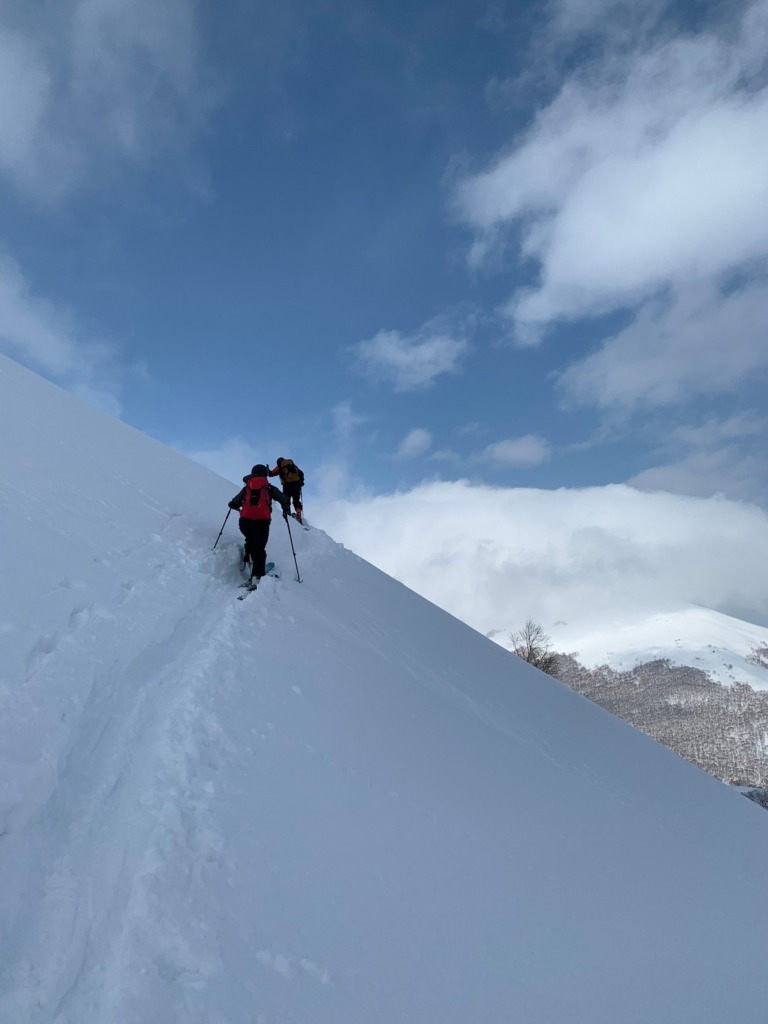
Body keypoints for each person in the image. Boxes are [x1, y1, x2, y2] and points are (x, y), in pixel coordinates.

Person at [228, 465, 290, 583]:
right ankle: (257, 576)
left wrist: (238, 507)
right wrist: (286, 509)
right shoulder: (269, 488)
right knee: (259, 548)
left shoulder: (247, 488)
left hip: (244, 523)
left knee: (250, 539)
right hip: (262, 523)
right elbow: (285, 500)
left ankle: (247, 560)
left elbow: (234, 503)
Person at [269, 457, 305, 523]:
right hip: (296, 485)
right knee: (296, 500)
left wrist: (267, 470)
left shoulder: (280, 466)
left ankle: (287, 514)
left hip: (287, 486)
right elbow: (301, 473)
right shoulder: (292, 464)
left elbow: (271, 474)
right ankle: (298, 511)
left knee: (286, 501)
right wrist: (301, 482)